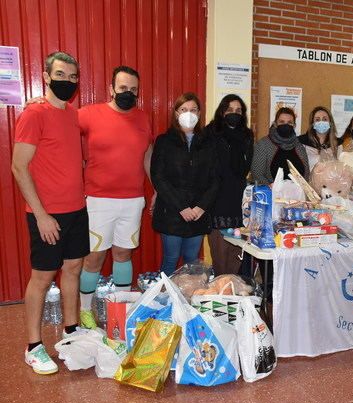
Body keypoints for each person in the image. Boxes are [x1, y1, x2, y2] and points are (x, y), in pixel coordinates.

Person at [12, 52, 88, 374]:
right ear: (46, 76)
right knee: (42, 278)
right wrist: (42, 215)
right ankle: (33, 346)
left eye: (72, 77)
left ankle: (71, 331)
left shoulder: (72, 114)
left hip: (76, 209)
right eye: (60, 75)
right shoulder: (34, 114)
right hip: (48, 214)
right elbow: (18, 166)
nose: (67, 82)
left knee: (73, 268)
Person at [76, 66, 152, 328]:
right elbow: (60, 125)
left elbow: (147, 156)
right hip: (98, 200)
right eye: (122, 88)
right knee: (94, 258)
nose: (127, 93)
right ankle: (85, 311)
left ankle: (120, 311)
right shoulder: (89, 114)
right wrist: (41, 103)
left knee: (123, 255)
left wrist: (157, 189)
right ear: (111, 89)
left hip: (132, 200)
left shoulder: (143, 118)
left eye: (133, 90)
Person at [151, 93, 219, 275]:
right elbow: (158, 177)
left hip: (198, 213)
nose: (189, 114)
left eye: (193, 110)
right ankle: (163, 298)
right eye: (184, 109)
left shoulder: (209, 143)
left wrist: (201, 207)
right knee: (171, 258)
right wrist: (181, 207)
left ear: (199, 113)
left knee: (192, 259)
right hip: (172, 212)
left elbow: (215, 179)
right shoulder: (164, 141)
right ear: (175, 113)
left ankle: (190, 298)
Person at [205, 94, 253, 275]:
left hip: (238, 199)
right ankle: (220, 288)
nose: (234, 113)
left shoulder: (247, 135)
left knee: (236, 250)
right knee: (219, 250)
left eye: (238, 111)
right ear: (222, 111)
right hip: (217, 198)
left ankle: (234, 288)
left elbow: (246, 166)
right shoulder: (211, 132)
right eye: (230, 110)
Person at [251, 107, 309, 184]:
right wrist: (273, 189)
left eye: (289, 122)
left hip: (296, 194)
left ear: (294, 125)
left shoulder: (299, 147)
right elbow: (257, 174)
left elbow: (306, 173)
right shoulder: (263, 144)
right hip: (271, 194)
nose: (286, 125)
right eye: (282, 122)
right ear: (275, 124)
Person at [298, 106, 342, 171]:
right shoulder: (301, 142)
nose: (321, 122)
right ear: (313, 124)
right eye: (317, 120)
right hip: (306, 180)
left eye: (325, 119)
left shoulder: (339, 145)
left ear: (330, 123)